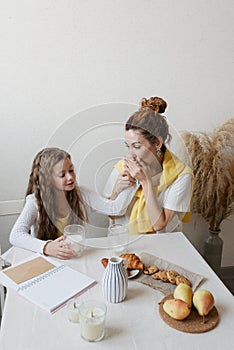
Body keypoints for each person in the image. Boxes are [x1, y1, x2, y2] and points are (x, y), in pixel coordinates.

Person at [9, 147, 131, 259]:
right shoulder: (35, 202)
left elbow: (116, 209)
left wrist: (129, 179)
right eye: (62, 175)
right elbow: (16, 235)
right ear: (48, 180)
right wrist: (47, 247)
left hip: (74, 259)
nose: (70, 177)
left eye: (71, 170)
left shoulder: (82, 194)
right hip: (45, 261)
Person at [103, 96, 193, 234]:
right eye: (128, 146)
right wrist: (116, 192)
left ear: (157, 143)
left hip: (162, 246)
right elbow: (112, 215)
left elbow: (160, 225)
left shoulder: (181, 175)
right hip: (122, 243)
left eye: (137, 146)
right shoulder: (123, 167)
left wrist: (146, 182)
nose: (131, 154)